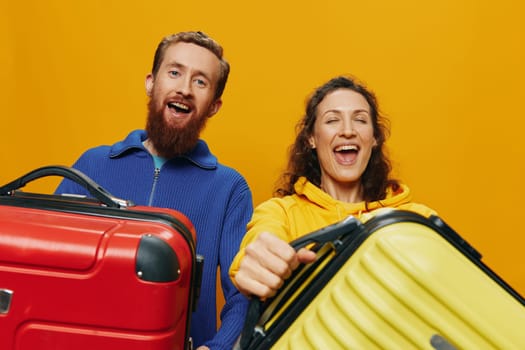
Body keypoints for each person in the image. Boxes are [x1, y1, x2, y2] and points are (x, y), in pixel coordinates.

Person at [55, 31, 253, 350]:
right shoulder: (92, 164)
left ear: (214, 106)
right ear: (151, 83)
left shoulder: (231, 188)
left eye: (200, 82)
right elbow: (48, 262)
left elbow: (244, 294)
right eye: (174, 72)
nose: (185, 89)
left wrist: (217, 348)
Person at [229, 75, 436, 299]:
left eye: (360, 119)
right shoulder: (280, 213)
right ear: (311, 138)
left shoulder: (416, 218)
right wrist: (260, 263)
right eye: (332, 120)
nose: (348, 130)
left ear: (374, 138)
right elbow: (261, 241)